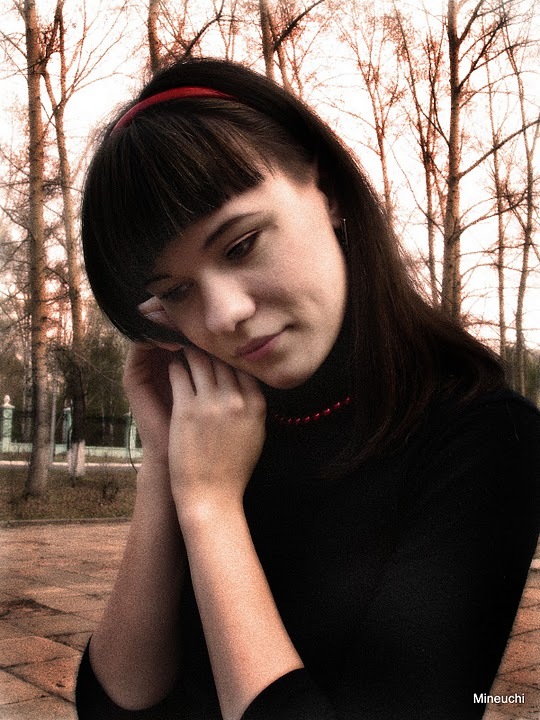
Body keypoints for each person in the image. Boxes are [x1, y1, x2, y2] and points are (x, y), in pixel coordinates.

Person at [75, 57, 539, 720]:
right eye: (175, 292)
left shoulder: (485, 436)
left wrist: (211, 508)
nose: (222, 315)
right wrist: (164, 460)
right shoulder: (218, 427)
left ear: (329, 191)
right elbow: (113, 706)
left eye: (240, 245)